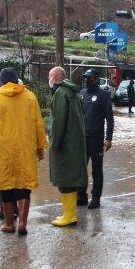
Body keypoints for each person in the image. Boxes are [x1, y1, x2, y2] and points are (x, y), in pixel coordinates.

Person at [0, 68, 47, 236]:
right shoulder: (30, 96)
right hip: (26, 147)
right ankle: (23, 225)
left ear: (2, 81)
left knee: (6, 184)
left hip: (5, 148)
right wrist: (40, 147)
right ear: (17, 79)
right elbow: (39, 123)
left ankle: (9, 224)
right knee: (24, 185)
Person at [48, 66, 87, 226]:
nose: (48, 80)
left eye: (49, 77)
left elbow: (58, 121)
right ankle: (69, 214)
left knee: (65, 179)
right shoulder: (73, 92)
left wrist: (54, 144)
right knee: (71, 179)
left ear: (55, 78)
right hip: (75, 142)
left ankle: (69, 216)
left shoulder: (60, 93)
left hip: (65, 144)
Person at [77, 68, 114, 209]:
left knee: (96, 169)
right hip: (81, 138)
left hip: (97, 139)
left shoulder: (104, 96)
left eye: (90, 78)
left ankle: (96, 198)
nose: (87, 80)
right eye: (85, 78)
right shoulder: (81, 95)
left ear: (96, 79)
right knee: (81, 168)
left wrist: (108, 138)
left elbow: (110, 118)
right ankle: (81, 196)